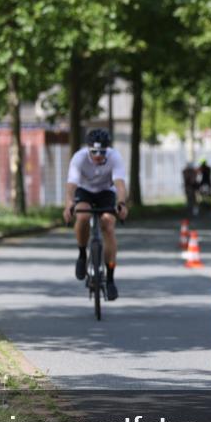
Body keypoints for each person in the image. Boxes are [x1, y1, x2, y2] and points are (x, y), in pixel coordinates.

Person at [63, 128, 129, 300]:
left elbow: (120, 184)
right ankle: (82, 255)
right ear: (88, 149)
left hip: (106, 191)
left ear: (107, 149)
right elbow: (71, 185)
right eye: (94, 152)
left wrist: (121, 204)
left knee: (108, 224)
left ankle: (110, 279)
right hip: (84, 190)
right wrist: (69, 203)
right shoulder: (79, 158)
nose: (98, 155)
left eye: (102, 152)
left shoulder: (115, 157)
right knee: (83, 216)